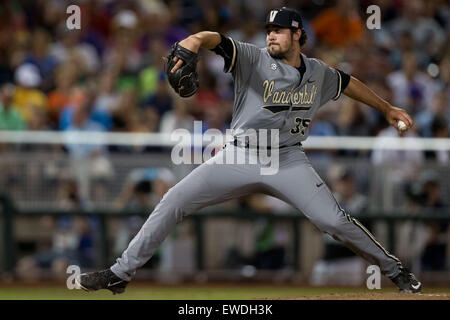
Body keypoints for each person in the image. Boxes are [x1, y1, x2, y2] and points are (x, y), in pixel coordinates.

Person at [77, 7, 421, 294]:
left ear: (298, 35)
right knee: (174, 200)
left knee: (331, 220)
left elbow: (347, 83)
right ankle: (120, 273)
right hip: (238, 155)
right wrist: (195, 39)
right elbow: (218, 42)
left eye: (280, 31)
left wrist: (387, 108)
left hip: (287, 159)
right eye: (269, 30)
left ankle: (396, 272)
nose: (271, 35)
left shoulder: (318, 73)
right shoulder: (253, 59)